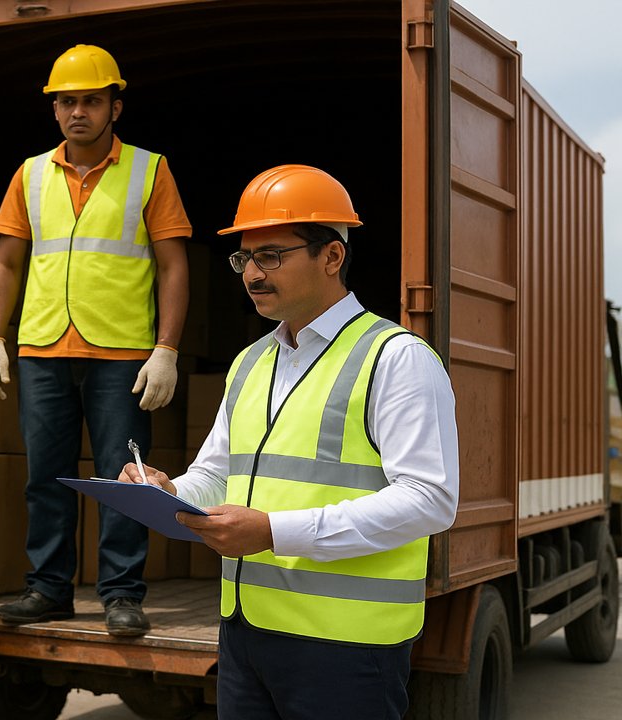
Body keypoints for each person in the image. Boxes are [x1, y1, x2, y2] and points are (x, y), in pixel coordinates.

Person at [120, 164, 459, 717]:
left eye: (271, 256)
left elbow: (430, 499)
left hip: (346, 645)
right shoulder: (250, 362)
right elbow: (217, 474)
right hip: (245, 632)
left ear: (332, 257)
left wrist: (274, 531)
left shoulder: (395, 358)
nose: (253, 274)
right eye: (244, 259)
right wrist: (168, 492)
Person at [0, 45, 191, 636]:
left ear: (115, 108)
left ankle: (122, 594)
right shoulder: (29, 174)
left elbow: (173, 265)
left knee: (124, 478)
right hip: (43, 349)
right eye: (67, 101)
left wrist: (167, 350)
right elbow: (6, 262)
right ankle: (48, 589)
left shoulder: (150, 170)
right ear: (54, 109)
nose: (79, 112)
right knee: (45, 477)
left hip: (121, 353)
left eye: (92, 101)